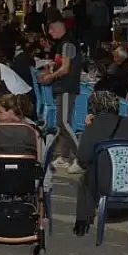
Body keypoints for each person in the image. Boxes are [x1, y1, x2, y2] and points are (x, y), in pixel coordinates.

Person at [71, 91, 128, 236]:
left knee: (84, 180)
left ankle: (82, 222)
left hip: (104, 183)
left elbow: (82, 157)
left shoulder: (95, 125)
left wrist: (87, 128)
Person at [38, 12, 83, 170]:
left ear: (58, 27)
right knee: (62, 123)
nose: (49, 33)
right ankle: (65, 156)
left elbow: (65, 69)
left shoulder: (68, 44)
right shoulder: (62, 43)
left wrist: (50, 76)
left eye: (51, 29)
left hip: (67, 86)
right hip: (61, 87)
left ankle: (81, 158)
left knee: (64, 122)